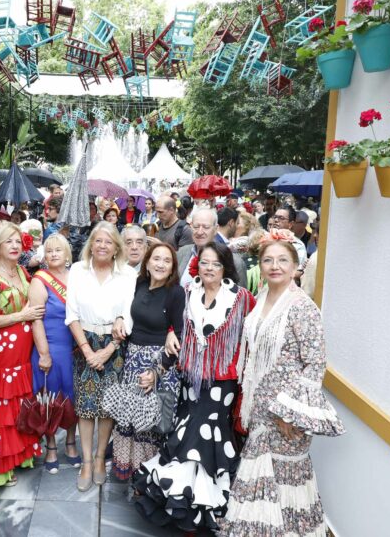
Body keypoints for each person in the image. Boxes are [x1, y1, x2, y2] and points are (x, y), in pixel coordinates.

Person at [223, 236, 344, 537]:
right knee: (264, 490)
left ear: (295, 267)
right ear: (260, 266)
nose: (274, 266)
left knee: (284, 489)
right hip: (260, 410)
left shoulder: (303, 307)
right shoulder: (262, 296)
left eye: (282, 260)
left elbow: (315, 365)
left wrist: (289, 414)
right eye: (268, 260)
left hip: (286, 417)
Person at [134, 242, 255, 533]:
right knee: (187, 427)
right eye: (204, 263)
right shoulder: (188, 293)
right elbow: (174, 324)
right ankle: (186, 501)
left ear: (225, 267)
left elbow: (251, 337)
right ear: (197, 266)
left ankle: (198, 502)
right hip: (190, 375)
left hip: (222, 381)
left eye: (215, 264)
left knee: (206, 430)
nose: (209, 268)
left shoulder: (242, 298)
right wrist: (171, 334)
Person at [66, 222, 136, 491]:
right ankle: (85, 461)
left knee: (107, 406)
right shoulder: (78, 270)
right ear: (91, 244)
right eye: (98, 241)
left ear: (116, 246)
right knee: (85, 407)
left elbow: (128, 314)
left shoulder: (127, 274)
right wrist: (87, 350)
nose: (103, 246)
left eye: (108, 241)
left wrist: (108, 350)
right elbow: (71, 313)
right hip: (84, 341)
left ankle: (98, 460)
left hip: (115, 344)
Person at [0, 223, 45, 486]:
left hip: (23, 348)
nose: (15, 246)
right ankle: (1, 465)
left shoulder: (21, 271)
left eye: (18, 241)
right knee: (3, 403)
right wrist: (22, 316)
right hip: (3, 348)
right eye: (9, 241)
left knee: (19, 401)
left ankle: (20, 455)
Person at [113, 243, 183, 481]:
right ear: (147, 261)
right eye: (156, 259)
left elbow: (178, 339)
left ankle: (150, 483)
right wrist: (120, 317)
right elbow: (125, 310)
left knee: (156, 426)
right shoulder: (139, 284)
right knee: (130, 422)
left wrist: (156, 372)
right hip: (133, 361)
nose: (161, 264)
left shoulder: (176, 293)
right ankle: (131, 474)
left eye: (167, 260)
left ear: (173, 266)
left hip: (160, 368)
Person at [28, 234, 81, 474]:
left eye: (59, 250)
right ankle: (50, 445)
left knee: (73, 398)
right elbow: (35, 319)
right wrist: (44, 353)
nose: (54, 254)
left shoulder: (78, 277)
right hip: (50, 346)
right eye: (49, 251)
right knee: (49, 397)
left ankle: (71, 442)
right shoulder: (39, 279)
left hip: (76, 348)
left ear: (68, 253)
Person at [177, 208, 247, 288]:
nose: (200, 232)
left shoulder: (234, 262)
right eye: (196, 227)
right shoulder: (182, 252)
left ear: (216, 229)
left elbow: (241, 297)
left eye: (206, 227)